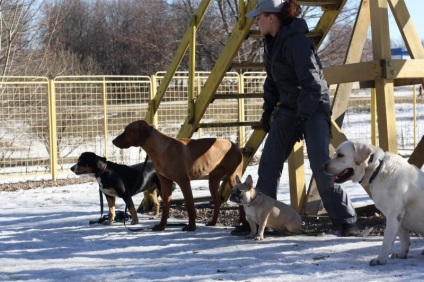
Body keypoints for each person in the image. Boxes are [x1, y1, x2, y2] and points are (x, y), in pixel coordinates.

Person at [232, 0, 360, 236]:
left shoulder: (296, 42)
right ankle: (259, 219)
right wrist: (268, 110)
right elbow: (272, 80)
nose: (256, 21)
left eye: (259, 17)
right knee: (269, 163)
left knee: (322, 166)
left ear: (272, 17)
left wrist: (303, 116)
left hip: (313, 108)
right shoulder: (270, 43)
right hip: (290, 109)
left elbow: (312, 84)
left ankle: (346, 221)